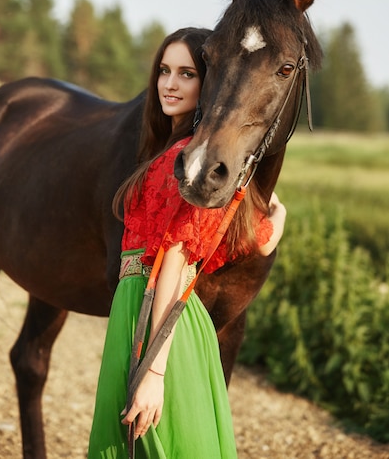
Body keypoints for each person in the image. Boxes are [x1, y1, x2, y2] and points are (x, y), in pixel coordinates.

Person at [88, 27, 287, 459]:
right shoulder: (180, 155)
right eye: (164, 70)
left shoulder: (187, 162)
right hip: (146, 308)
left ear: (212, 84)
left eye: (186, 73)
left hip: (156, 314)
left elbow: (176, 260)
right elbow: (240, 244)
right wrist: (277, 222)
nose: (170, 83)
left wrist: (153, 370)